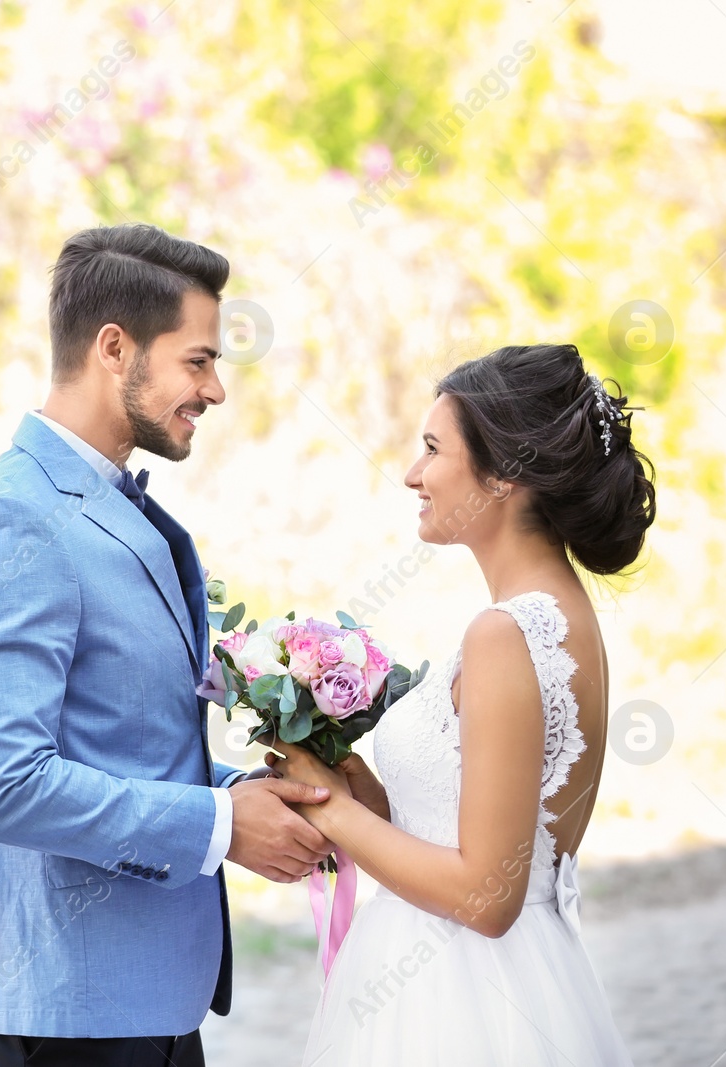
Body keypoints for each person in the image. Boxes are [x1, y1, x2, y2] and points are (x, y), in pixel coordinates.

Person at [0, 222, 332, 1067]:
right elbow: (7, 785)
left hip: (139, 1007)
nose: (216, 388)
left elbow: (122, 746)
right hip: (58, 1015)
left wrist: (255, 796)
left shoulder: (104, 502)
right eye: (198, 359)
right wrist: (221, 825)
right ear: (115, 348)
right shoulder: (16, 520)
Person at [266, 343, 652, 1064]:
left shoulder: (507, 633)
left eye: (433, 448)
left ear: (504, 474)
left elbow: (486, 894)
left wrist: (333, 813)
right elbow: (479, 833)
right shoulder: (561, 619)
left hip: (463, 998)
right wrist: (359, 787)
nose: (414, 474)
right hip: (505, 973)